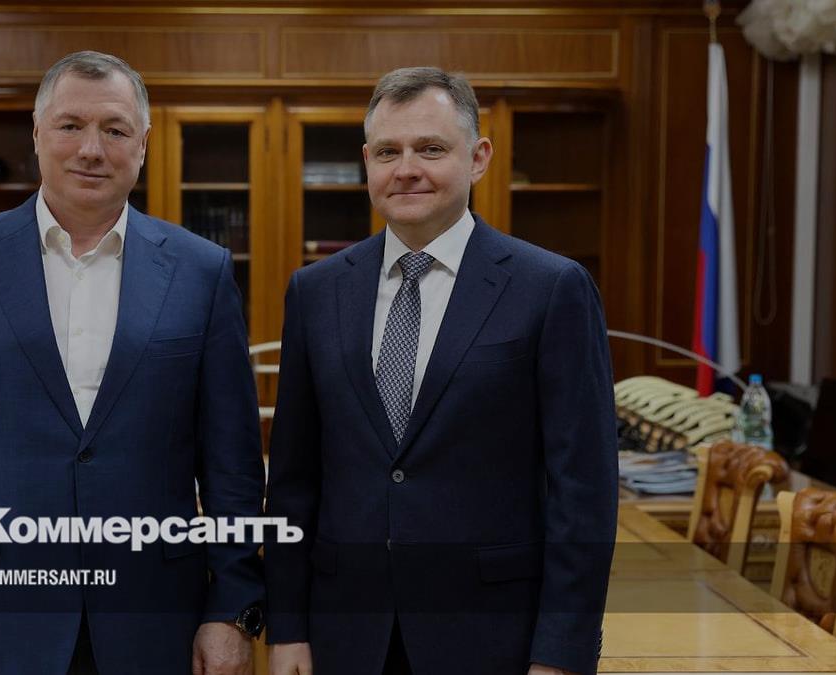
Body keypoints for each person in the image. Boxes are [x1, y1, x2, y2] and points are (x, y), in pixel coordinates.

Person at [0, 50, 265, 675]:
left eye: (115, 130)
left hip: (156, 615)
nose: (92, 149)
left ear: (143, 145)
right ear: (37, 134)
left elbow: (233, 469)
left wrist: (232, 610)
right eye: (71, 126)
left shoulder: (202, 271)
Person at [264, 66, 618, 675]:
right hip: (344, 637)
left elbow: (583, 489)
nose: (406, 169)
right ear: (367, 163)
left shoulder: (551, 288)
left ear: (478, 158)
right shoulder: (316, 292)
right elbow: (294, 480)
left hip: (493, 639)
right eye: (387, 152)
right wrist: (288, 626)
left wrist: (561, 652)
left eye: (430, 148)